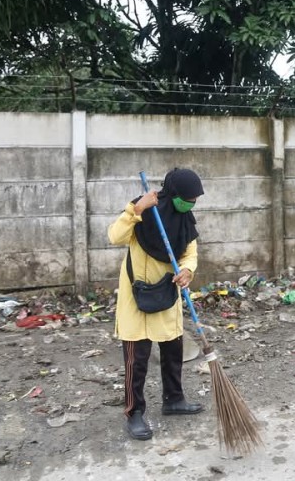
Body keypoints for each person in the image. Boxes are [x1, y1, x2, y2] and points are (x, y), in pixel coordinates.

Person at [108, 168, 205, 440]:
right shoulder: (143, 210)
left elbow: (191, 252)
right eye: (187, 198)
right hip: (137, 296)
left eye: (194, 200)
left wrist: (187, 270)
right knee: (136, 360)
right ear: (173, 193)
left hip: (167, 293)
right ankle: (134, 413)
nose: (190, 203)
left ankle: (173, 399)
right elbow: (115, 236)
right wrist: (136, 209)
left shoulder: (185, 219)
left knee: (173, 350)